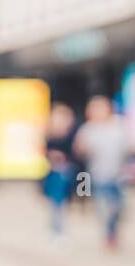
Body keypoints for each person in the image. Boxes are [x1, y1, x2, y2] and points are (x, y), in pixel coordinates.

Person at [73, 95, 128, 251]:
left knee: (119, 208)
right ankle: (108, 234)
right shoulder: (88, 129)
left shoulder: (118, 126)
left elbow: (128, 147)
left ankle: (113, 229)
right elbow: (79, 149)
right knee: (103, 208)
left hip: (118, 175)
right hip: (97, 176)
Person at [43, 102, 77, 240]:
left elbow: (77, 154)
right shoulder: (50, 135)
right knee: (56, 202)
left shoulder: (72, 134)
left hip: (70, 172)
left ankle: (59, 227)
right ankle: (56, 228)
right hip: (55, 173)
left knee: (68, 199)